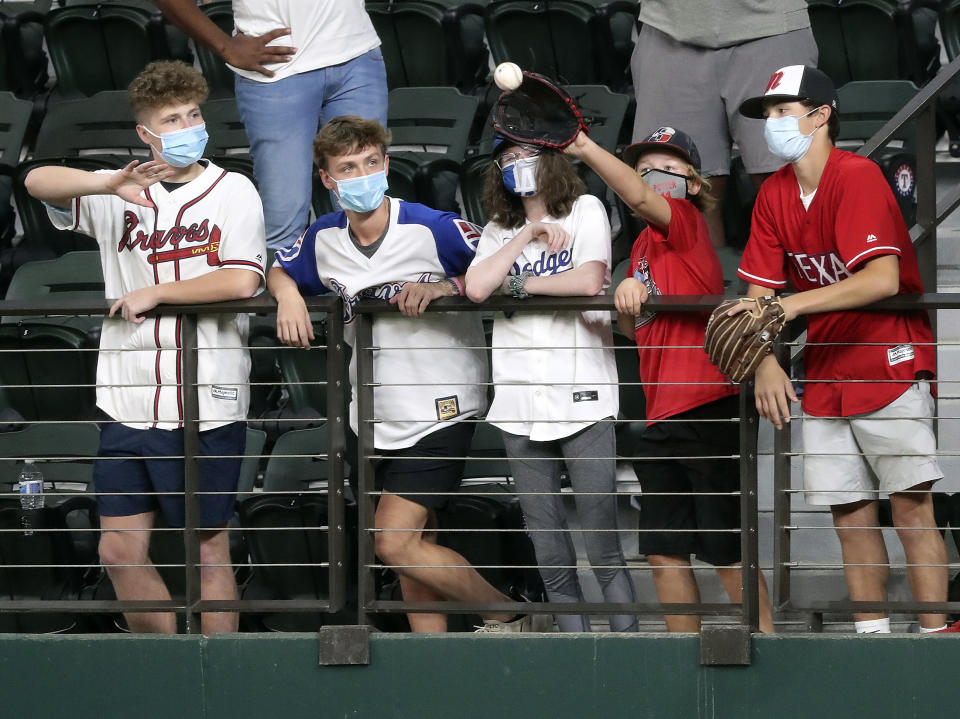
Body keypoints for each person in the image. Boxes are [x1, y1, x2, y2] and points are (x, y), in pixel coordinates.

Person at [268, 116, 546, 633]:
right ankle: (431, 664)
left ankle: (511, 614)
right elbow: (280, 266)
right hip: (369, 413)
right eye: (347, 168)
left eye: (371, 162)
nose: (362, 174)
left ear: (387, 164)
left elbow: (509, 265)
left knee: (392, 541)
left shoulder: (432, 226)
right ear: (328, 179)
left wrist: (448, 287)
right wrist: (287, 294)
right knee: (414, 549)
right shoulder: (322, 237)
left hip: (441, 406)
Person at [24, 61, 266, 634]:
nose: (187, 125)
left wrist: (157, 292)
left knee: (208, 550)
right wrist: (105, 182)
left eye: (193, 114)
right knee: (118, 551)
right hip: (128, 397)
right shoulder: (121, 190)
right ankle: (169, 673)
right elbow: (35, 181)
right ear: (145, 133)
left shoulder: (234, 190)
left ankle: (220, 683)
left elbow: (241, 281)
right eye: (171, 119)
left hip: (205, 395)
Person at [735, 64, 956, 634]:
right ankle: (872, 641)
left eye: (784, 111)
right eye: (767, 115)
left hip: (888, 356)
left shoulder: (856, 176)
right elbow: (759, 295)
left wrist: (792, 307)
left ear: (821, 114)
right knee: (850, 518)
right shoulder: (772, 194)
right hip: (827, 370)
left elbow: (881, 279)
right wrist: (763, 361)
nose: (773, 123)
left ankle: (933, 642)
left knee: (911, 508)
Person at [564, 127, 775, 633]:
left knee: (725, 550)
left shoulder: (686, 223)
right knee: (663, 551)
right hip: (660, 413)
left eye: (668, 168)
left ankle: (770, 646)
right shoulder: (639, 243)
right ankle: (683, 666)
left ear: (695, 184)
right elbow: (634, 330)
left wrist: (585, 147)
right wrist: (628, 290)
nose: (652, 178)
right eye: (644, 169)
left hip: (707, 406)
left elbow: (638, 197)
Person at [464, 137, 638, 633]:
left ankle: (628, 651)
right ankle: (575, 654)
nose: (519, 166)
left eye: (527, 155)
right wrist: (526, 236)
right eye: (508, 159)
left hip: (583, 395)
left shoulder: (585, 209)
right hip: (519, 401)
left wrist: (517, 286)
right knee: (548, 541)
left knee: (602, 540)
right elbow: (477, 289)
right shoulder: (500, 228)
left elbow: (586, 282)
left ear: (550, 158)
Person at [155, 0, 388, 251]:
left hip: (358, 53)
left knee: (367, 204)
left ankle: (374, 288)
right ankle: (285, 288)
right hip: (276, 70)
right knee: (285, 219)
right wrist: (226, 47)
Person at [631, 0, 818, 248]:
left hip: (772, 22)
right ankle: (696, 284)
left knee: (789, 185)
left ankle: (808, 286)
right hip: (668, 24)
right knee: (677, 189)